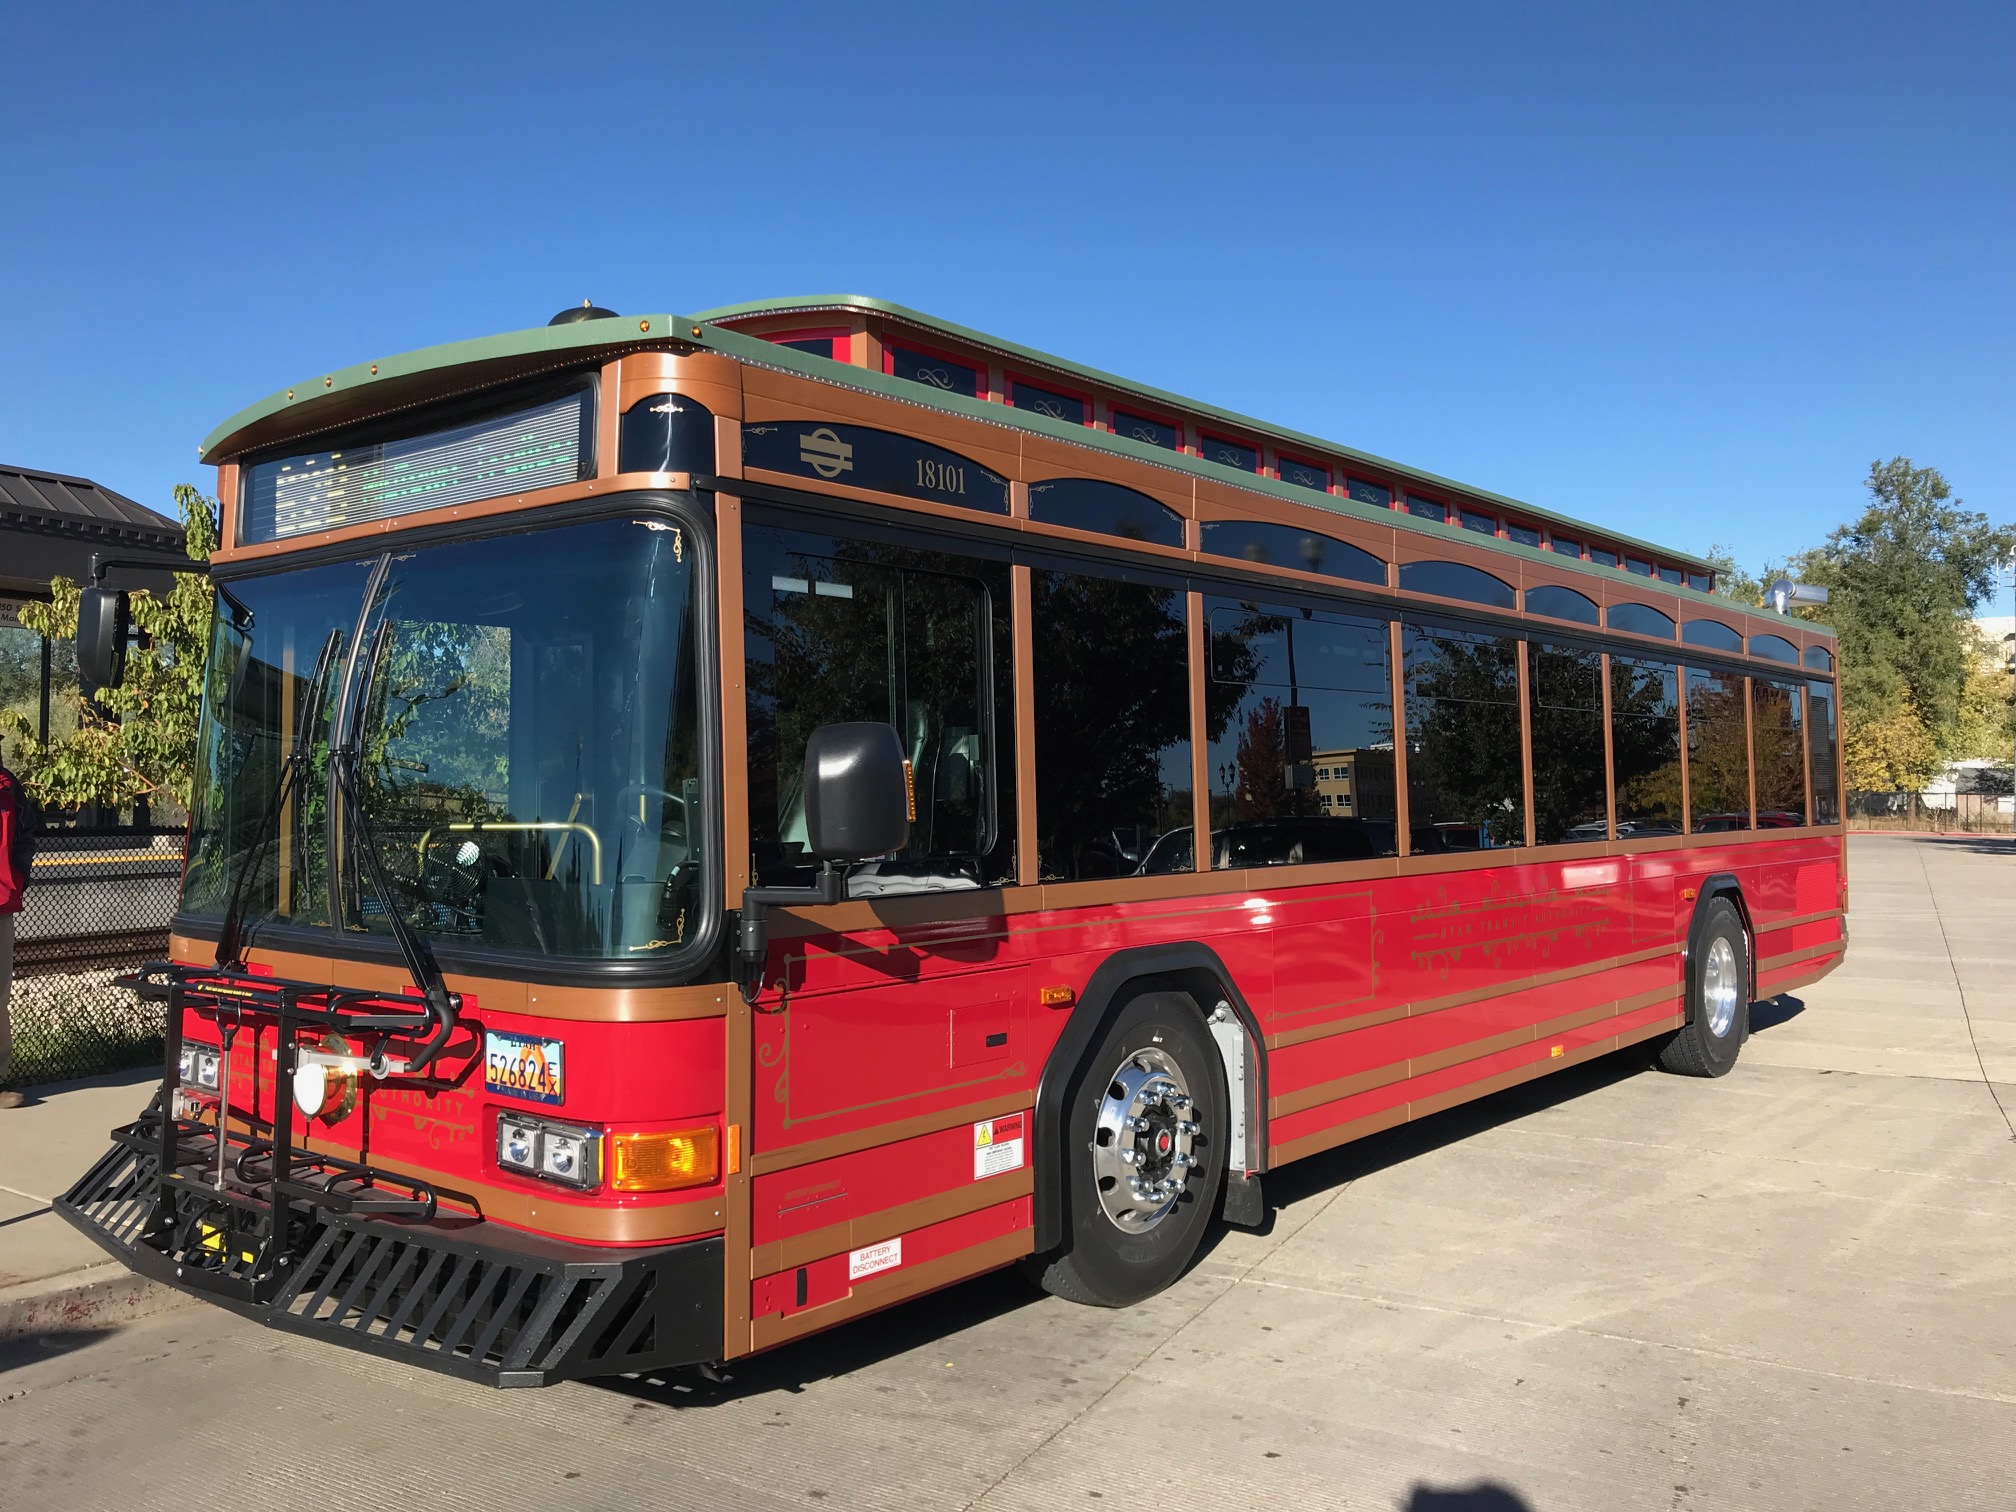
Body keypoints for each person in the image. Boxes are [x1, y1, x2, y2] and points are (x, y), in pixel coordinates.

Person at [0, 751, 34, 1109]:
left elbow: (26, 834)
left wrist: (18, 878)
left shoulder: (8, 784)